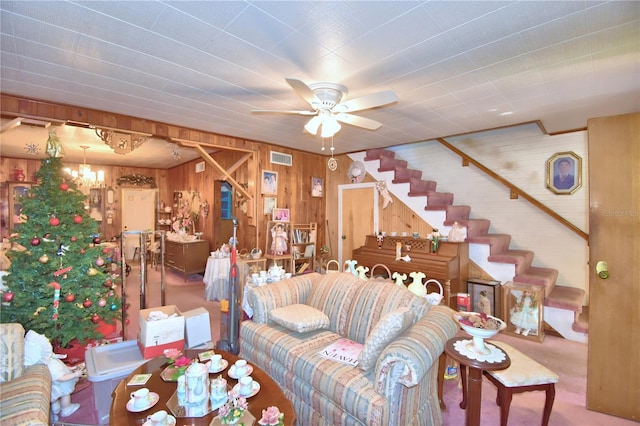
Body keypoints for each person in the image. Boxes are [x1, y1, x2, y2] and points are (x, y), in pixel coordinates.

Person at [24, 330, 83, 420]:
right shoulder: (50, 365)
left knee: (55, 397)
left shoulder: (47, 361)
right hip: (59, 385)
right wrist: (75, 375)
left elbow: (61, 367)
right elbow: (61, 378)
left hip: (54, 384)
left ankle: (55, 407)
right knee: (65, 394)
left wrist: (71, 369)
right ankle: (66, 408)